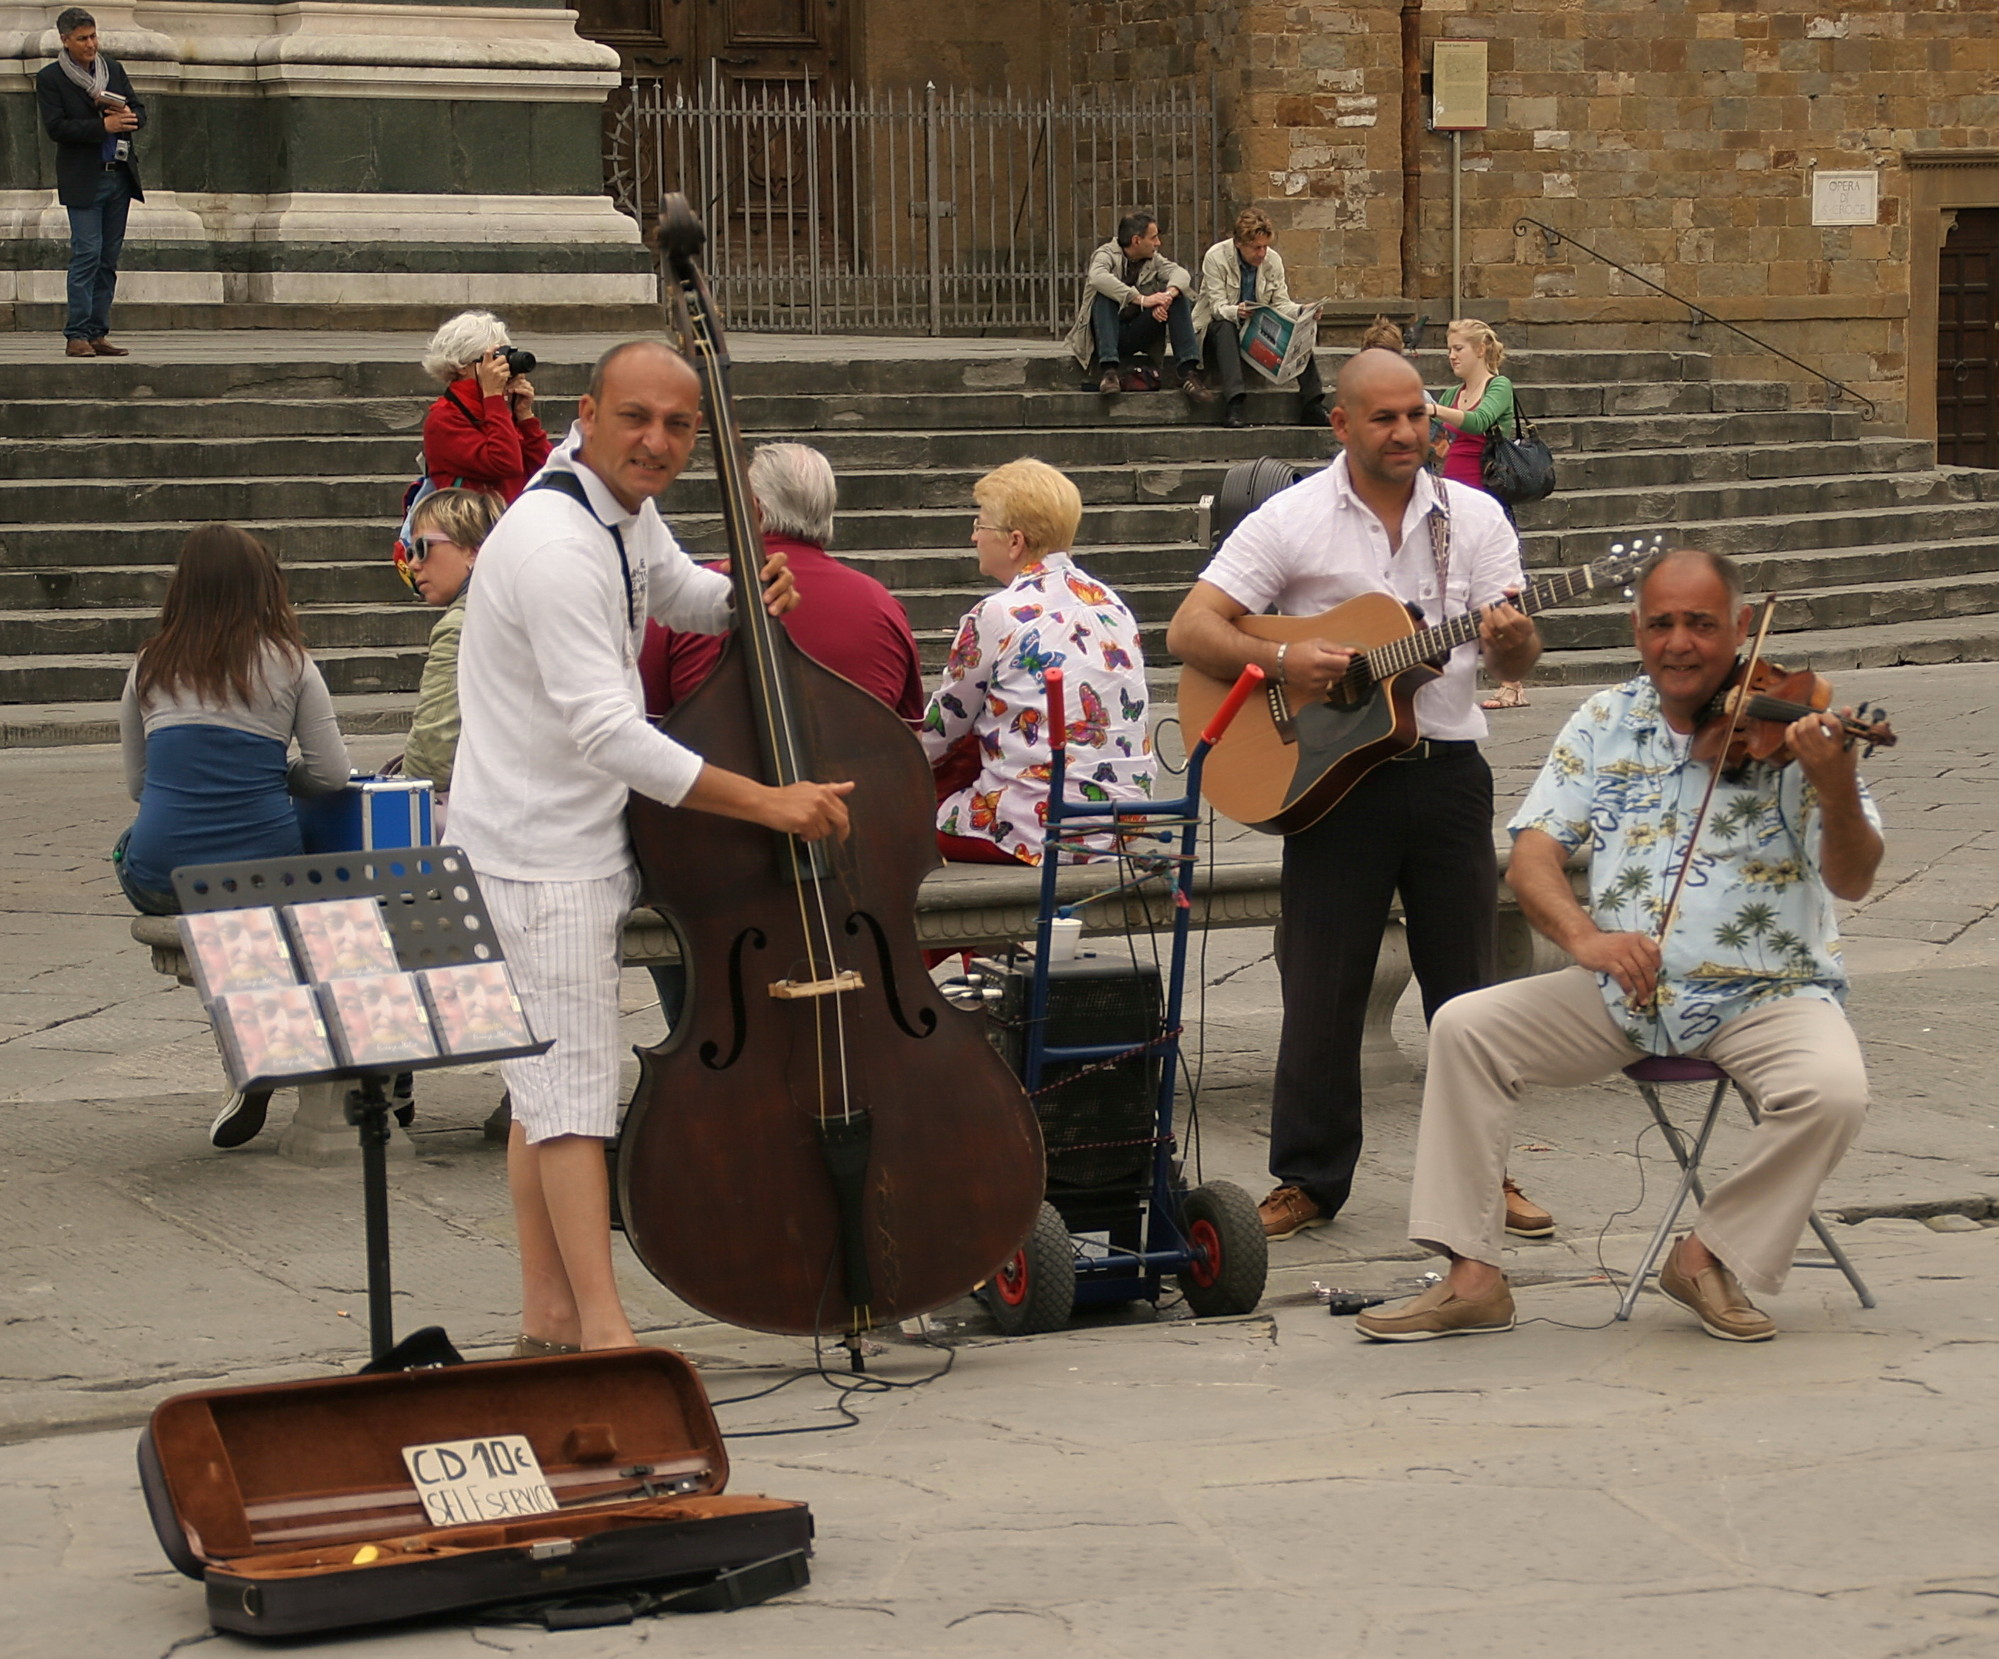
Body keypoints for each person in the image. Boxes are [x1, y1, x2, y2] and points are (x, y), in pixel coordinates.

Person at [1356, 548, 1882, 1344]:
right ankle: (1471, 1278)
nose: (1679, 642)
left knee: (1833, 1089)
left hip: (1766, 992)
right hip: (1623, 993)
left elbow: (1852, 877)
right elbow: (1533, 854)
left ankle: (1706, 1253)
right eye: (1661, 623)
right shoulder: (1605, 719)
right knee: (1464, 1025)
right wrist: (1585, 938)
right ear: (1634, 629)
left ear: (1739, 628)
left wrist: (1835, 784)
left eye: (1701, 625)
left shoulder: (1792, 732)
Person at [448, 337, 852, 1356]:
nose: (657, 441)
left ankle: (548, 1319)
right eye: (636, 418)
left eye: (678, 425)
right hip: (542, 853)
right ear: (587, 412)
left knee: (540, 1091)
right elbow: (607, 732)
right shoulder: (554, 545)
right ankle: (605, 1334)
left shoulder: (615, 508)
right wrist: (768, 803)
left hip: (547, 833)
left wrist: (740, 596)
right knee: (576, 1097)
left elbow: (675, 590)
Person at [1165, 351, 1551, 1243]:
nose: (1408, 432)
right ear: (1340, 425)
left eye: (1416, 414)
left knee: (1469, 992)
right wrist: (1288, 661)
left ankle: (1485, 1174)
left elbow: (1511, 660)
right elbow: (1191, 626)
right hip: (1331, 779)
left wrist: (1516, 641)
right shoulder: (1291, 518)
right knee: (1322, 985)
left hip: (1446, 770)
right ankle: (1307, 1177)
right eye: (1383, 418)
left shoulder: (1476, 516)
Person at [637, 440, 922, 1024]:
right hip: (852, 864)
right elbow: (907, 746)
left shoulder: (698, 598)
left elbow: (646, 733)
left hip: (714, 859)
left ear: (757, 514)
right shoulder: (881, 606)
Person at [114, 522, 354, 1148]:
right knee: (270, 865)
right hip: (262, 874)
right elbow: (331, 775)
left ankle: (244, 1051)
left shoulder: (148, 665)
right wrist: (275, 775)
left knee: (136, 845)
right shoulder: (292, 664)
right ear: (263, 588)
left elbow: (141, 786)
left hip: (164, 875)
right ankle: (260, 1045)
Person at [919, 458, 1152, 867]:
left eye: (980, 525)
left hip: (1039, 828)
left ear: (1014, 541)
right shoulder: (1113, 604)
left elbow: (941, 732)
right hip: (1121, 822)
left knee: (896, 815)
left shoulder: (996, 614)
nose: (973, 536)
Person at [1424, 318, 1529, 710]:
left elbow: (1481, 421)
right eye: (1449, 349)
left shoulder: (1497, 386)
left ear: (1480, 350)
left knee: (1498, 585)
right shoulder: (1452, 392)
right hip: (1451, 498)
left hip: (1488, 499)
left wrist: (1433, 407)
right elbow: (1443, 442)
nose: (1452, 356)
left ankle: (1512, 683)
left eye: (1458, 349)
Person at [37, 8, 144, 359]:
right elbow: (57, 128)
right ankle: (76, 334)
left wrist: (128, 118)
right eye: (82, 38)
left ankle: (98, 332)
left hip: (119, 177)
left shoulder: (111, 69)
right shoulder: (51, 78)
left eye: (94, 36)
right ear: (65, 40)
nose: (90, 44)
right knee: (86, 254)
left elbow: (140, 110)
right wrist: (103, 128)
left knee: (108, 259)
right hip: (84, 178)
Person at [399, 486, 504, 822]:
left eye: (421, 547)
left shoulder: (460, 626)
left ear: (473, 550)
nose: (412, 564)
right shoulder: (518, 608)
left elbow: (433, 753)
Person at [1192, 207, 1327, 429]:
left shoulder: (1272, 260)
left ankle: (1313, 403)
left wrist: (1302, 310)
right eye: (1256, 248)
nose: (1262, 254)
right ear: (1239, 244)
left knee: (1298, 330)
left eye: (1265, 247)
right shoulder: (1216, 257)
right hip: (1218, 330)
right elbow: (1216, 307)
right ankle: (1234, 402)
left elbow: (1281, 303)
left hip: (1256, 329)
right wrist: (1237, 311)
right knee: (1224, 326)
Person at [1063, 212, 1214, 407]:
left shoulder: (1153, 259)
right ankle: (1109, 373)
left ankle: (1188, 373)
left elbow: (1180, 273)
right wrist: (1141, 299)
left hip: (1137, 332)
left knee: (1179, 297)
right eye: (1153, 238)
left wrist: (1166, 297)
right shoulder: (1106, 254)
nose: (1158, 243)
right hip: (1106, 335)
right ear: (1136, 240)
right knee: (1103, 296)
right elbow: (1097, 277)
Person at [419, 311, 551, 505]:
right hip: (473, 531)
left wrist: (525, 417)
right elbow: (505, 463)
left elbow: (546, 472)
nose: (502, 366)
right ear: (461, 365)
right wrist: (493, 397)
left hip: (514, 523)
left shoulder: (498, 409)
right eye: (492, 359)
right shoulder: (444, 418)